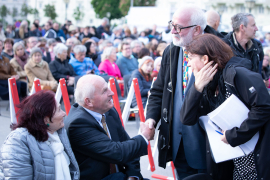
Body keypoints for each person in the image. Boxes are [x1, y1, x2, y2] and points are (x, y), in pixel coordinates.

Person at [145, 5, 227, 179]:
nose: (173, 31)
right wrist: (151, 118)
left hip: (208, 143)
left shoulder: (219, 50)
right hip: (177, 142)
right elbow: (159, 90)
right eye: (171, 25)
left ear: (197, 29)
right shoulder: (172, 50)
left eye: (179, 27)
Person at [180, 33, 270, 179]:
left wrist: (235, 135)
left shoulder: (237, 74)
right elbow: (186, 118)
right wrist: (196, 88)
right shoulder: (207, 84)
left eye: (190, 58)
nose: (188, 64)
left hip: (256, 160)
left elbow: (263, 107)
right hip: (233, 161)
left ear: (205, 58)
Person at [64, 74, 155, 180]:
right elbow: (117, 152)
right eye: (104, 91)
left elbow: (127, 145)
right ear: (88, 101)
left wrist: (133, 176)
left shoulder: (108, 111)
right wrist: (144, 137)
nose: (111, 93)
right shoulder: (78, 124)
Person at [0, 90, 80, 179]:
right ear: (45, 119)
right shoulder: (18, 141)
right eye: (59, 110)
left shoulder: (59, 133)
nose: (64, 113)